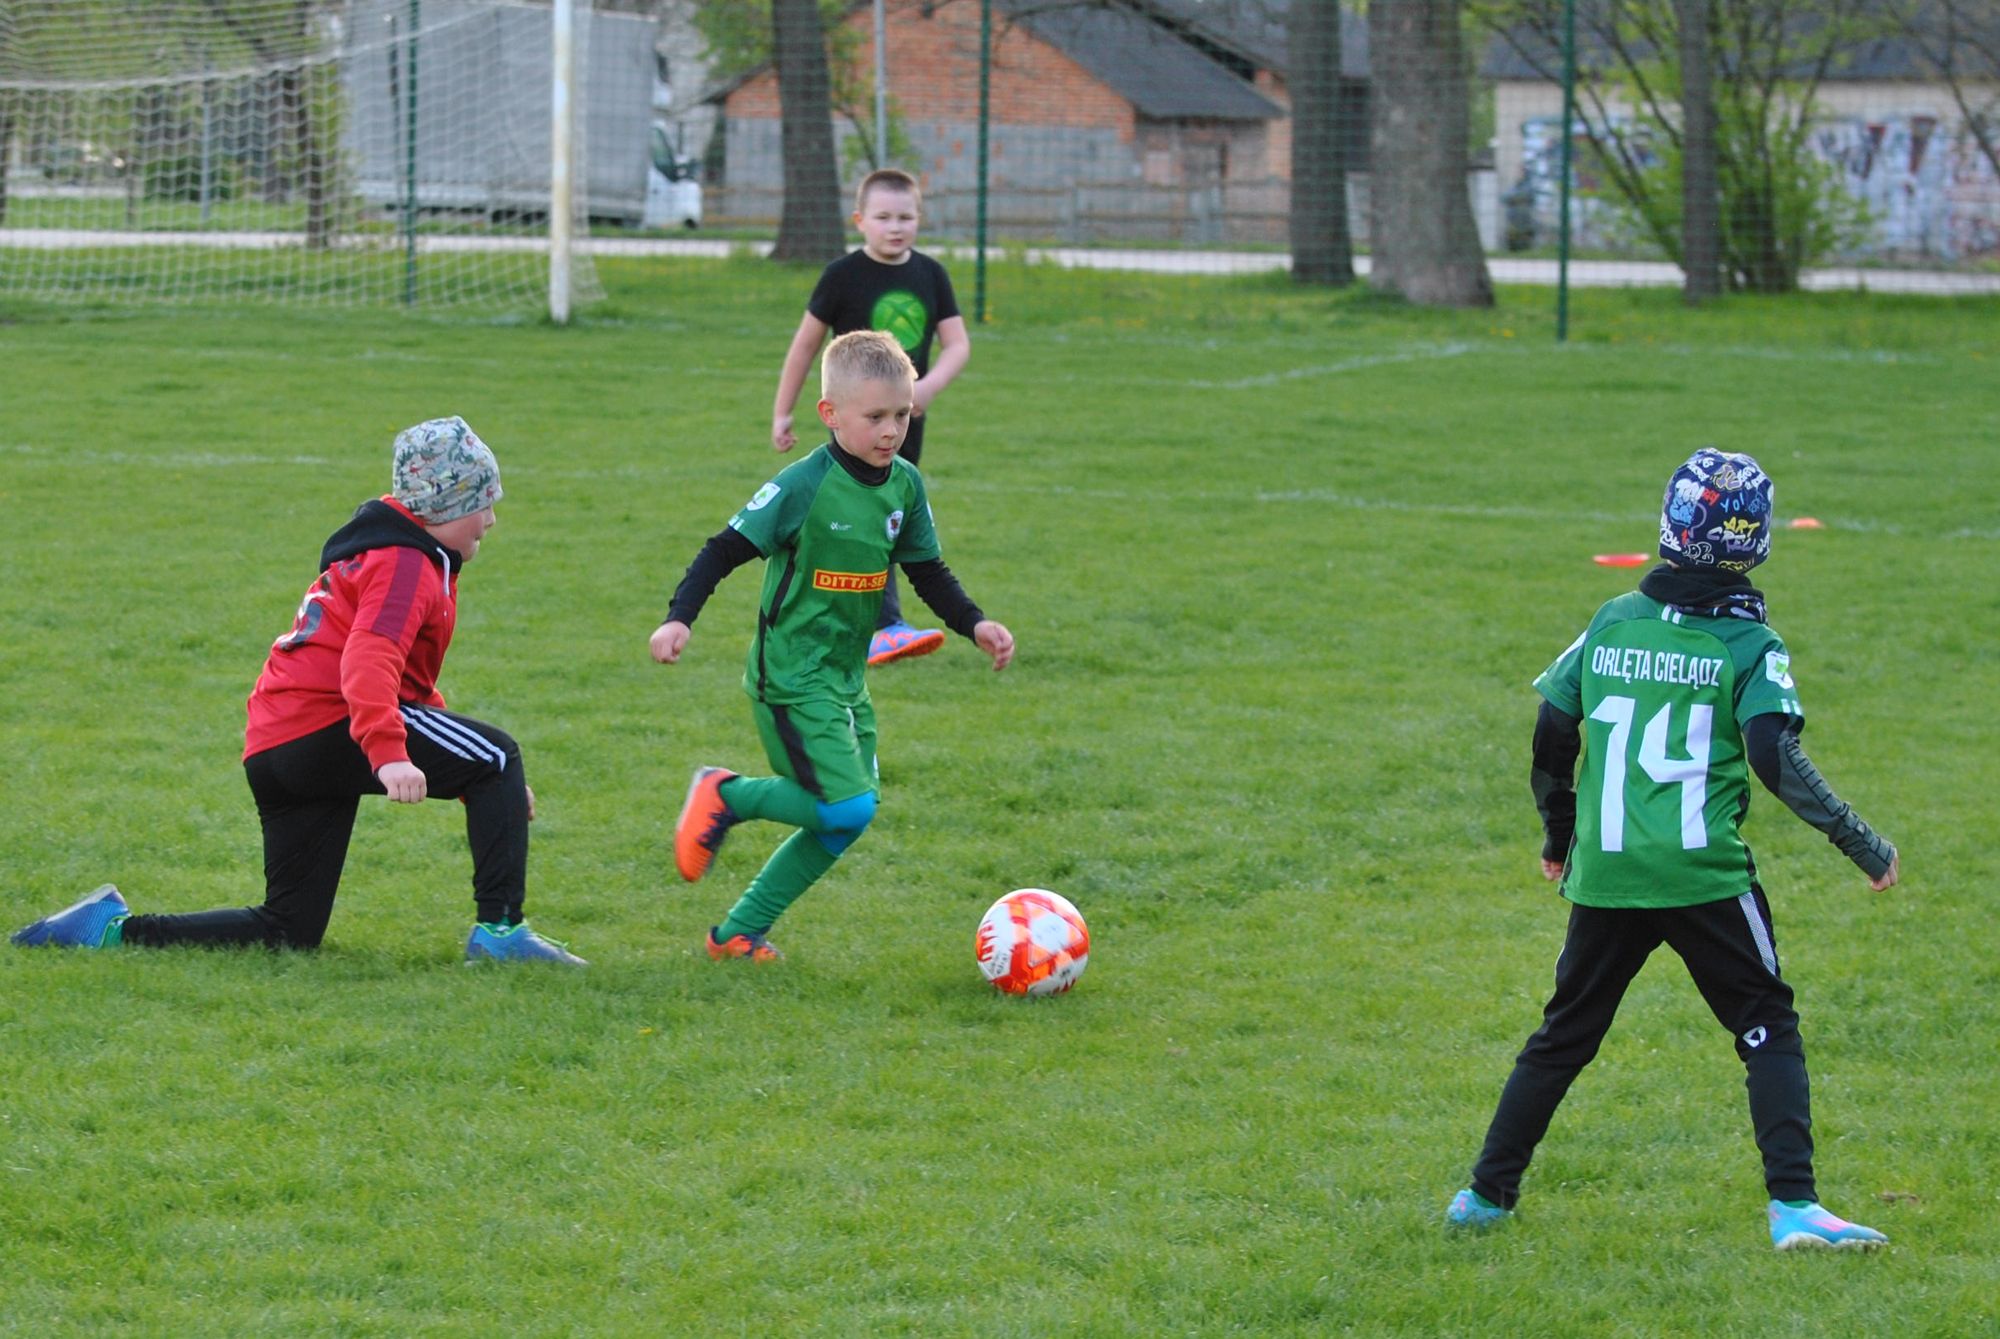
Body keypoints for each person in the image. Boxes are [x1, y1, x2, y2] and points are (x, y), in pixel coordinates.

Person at [1445, 449, 1898, 1250]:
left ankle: (1485, 1194)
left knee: (1564, 1034)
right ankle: (1794, 1208)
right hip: (1700, 871)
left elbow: (1553, 730)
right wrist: (1860, 841)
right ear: (1753, 540)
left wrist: (1559, 834)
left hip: (1609, 868)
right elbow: (1772, 755)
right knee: (1765, 1020)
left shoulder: (1615, 617)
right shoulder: (1751, 644)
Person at [12, 417, 584, 966]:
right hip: (327, 725)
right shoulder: (407, 561)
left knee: (288, 930)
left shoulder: (393, 552)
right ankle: (501, 933)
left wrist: (474, 783)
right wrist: (392, 756)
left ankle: (106, 932)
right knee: (499, 753)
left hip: (276, 744)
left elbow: (406, 689)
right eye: (482, 504)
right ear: (444, 507)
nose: (489, 520)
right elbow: (369, 661)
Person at [654, 330, 1013, 961]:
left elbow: (927, 570)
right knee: (845, 807)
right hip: (791, 676)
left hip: (847, 677)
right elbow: (723, 549)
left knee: (849, 816)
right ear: (831, 415)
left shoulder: (904, 485)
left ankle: (738, 933)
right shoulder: (803, 485)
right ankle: (725, 793)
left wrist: (975, 623)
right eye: (875, 417)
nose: (891, 430)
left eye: (902, 415)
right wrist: (679, 618)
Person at [770, 167, 971, 667]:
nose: (895, 227)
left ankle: (856, 620)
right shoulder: (843, 275)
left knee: (887, 512)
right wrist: (783, 411)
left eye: (906, 217)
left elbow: (957, 344)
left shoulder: (930, 274)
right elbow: (804, 346)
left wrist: (926, 387)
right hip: (855, 424)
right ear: (860, 220)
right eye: (883, 217)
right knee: (871, 514)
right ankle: (883, 625)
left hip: (904, 422)